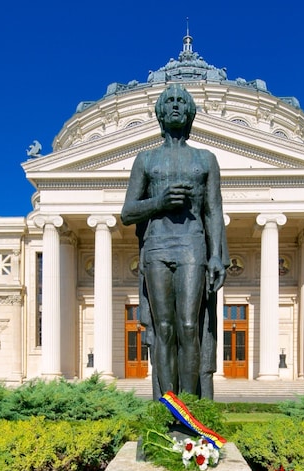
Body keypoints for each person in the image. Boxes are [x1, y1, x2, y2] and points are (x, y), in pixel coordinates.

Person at [121, 83, 228, 399]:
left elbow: (213, 211)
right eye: (169, 101)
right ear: (160, 113)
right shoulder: (146, 160)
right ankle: (169, 406)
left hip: (192, 245)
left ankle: (190, 406)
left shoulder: (205, 159)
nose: (176, 105)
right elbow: (127, 212)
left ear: (191, 113)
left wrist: (217, 256)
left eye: (182, 101)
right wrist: (160, 202)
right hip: (157, 247)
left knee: (190, 326)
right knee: (163, 328)